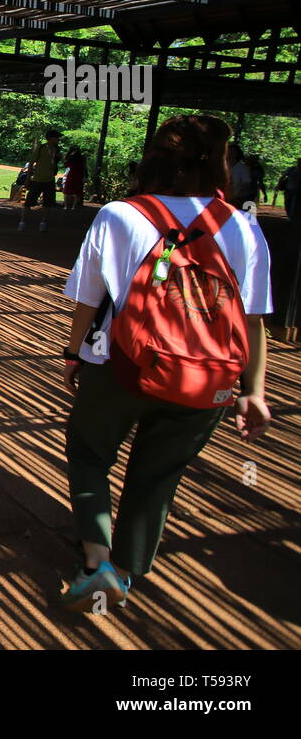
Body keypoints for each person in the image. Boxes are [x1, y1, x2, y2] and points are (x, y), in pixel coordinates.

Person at [58, 114, 272, 612]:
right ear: (219, 162)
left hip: (123, 363)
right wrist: (253, 390)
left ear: (155, 157)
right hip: (208, 378)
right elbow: (253, 319)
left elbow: (88, 299)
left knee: (90, 452)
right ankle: (126, 571)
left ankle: (96, 560)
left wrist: (73, 353)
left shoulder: (119, 214)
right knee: (157, 475)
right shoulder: (243, 226)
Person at [19, 129, 61, 232]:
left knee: (48, 203)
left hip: (50, 180)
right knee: (28, 202)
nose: (58, 140)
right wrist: (28, 179)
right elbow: (32, 162)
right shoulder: (41, 148)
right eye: (56, 137)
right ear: (51, 138)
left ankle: (43, 222)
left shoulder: (57, 150)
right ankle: (22, 222)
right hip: (37, 179)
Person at [62, 144, 87, 211]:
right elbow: (84, 167)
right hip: (77, 174)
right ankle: (71, 206)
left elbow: (65, 164)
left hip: (74, 174)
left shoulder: (73, 156)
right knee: (73, 190)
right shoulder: (80, 157)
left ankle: (68, 206)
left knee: (70, 190)